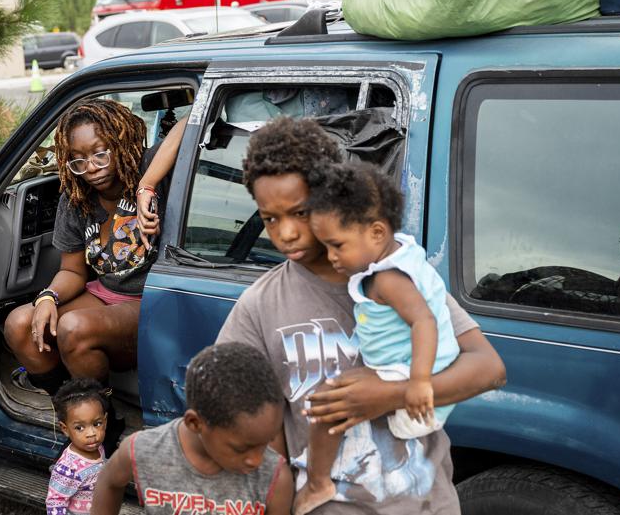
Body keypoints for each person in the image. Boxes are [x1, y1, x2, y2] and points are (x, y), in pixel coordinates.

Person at [216, 117, 506, 514]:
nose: (285, 234)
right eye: (270, 218)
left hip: (425, 503)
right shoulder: (259, 306)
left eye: (299, 214)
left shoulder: (401, 279)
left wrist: (392, 394)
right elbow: (263, 439)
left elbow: (488, 367)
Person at [293, 161, 462, 515]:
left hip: (408, 371)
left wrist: (416, 382)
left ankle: (318, 483)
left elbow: (424, 323)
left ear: (376, 233)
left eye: (338, 245)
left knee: (327, 403)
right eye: (326, 246)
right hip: (414, 370)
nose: (332, 257)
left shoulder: (389, 279)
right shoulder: (403, 253)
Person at [4, 98, 187, 393]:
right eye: (79, 160)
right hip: (104, 294)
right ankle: (69, 407)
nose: (91, 168)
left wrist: (147, 185)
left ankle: (102, 417)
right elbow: (73, 272)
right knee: (20, 324)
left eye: (101, 154)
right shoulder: (76, 199)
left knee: (73, 327)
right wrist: (48, 297)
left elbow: (187, 124)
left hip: (148, 301)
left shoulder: (149, 168)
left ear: (120, 142)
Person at [90, 342, 293, 515]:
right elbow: (109, 483)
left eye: (265, 443)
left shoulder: (274, 478)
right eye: (241, 448)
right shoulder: (143, 450)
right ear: (195, 423)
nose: (257, 460)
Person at [46, 378, 109, 515]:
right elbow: (55, 503)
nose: (91, 434)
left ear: (105, 421)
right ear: (65, 428)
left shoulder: (97, 447)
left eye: (97, 424)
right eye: (80, 427)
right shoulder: (68, 468)